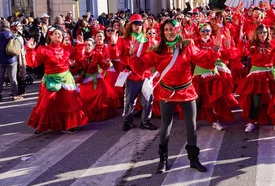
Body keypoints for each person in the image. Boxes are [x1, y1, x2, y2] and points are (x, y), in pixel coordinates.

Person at [127, 18, 221, 174]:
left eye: (172, 29)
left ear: (178, 30)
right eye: (166, 30)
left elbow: (204, 61)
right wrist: (132, 54)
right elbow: (139, 67)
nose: (169, 32)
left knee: (191, 126)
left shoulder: (187, 46)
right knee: (165, 127)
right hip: (167, 92)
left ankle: (193, 159)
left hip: (186, 91)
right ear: (163, 33)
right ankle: (162, 160)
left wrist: (216, 47)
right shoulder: (157, 50)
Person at [25, 26, 89, 134]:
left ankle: (70, 125)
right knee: (47, 103)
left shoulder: (67, 48)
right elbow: (33, 63)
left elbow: (79, 58)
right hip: (51, 78)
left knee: (69, 102)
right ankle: (43, 125)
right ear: (50, 36)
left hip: (66, 78)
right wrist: (30, 50)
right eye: (56, 34)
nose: (59, 35)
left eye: (60, 34)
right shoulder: (44, 49)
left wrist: (80, 45)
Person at [237, 24, 275, 133]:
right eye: (260, 32)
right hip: (256, 75)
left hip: (269, 74)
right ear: (256, 34)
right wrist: (242, 39)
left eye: (265, 32)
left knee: (274, 100)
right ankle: (251, 122)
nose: (263, 34)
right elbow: (242, 52)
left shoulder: (272, 44)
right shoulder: (252, 44)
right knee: (256, 102)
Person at [117, 14, 157, 132]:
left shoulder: (147, 40)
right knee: (129, 100)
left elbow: (149, 58)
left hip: (145, 74)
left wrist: (138, 61)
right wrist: (131, 55)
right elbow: (121, 58)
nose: (137, 26)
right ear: (130, 25)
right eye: (135, 24)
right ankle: (127, 121)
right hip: (131, 74)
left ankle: (145, 121)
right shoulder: (124, 40)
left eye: (139, 24)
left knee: (148, 98)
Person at [76, 37, 118, 122]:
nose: (87, 47)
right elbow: (75, 69)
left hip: (96, 80)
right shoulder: (80, 55)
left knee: (100, 94)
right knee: (83, 98)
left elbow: (103, 66)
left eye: (89, 45)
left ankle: (99, 115)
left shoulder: (97, 54)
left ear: (93, 46)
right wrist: (73, 65)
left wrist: (107, 64)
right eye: (85, 45)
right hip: (85, 80)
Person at [0, 20, 20, 102]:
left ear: (0, 26)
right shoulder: (12, 35)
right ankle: (14, 94)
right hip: (11, 59)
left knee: (0, 78)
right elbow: (19, 46)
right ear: (8, 26)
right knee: (13, 77)